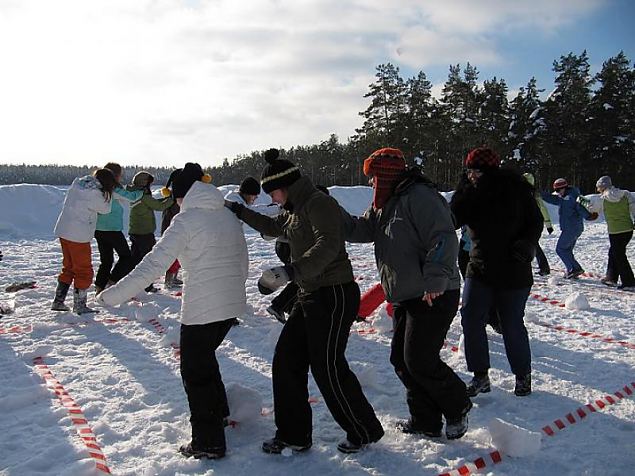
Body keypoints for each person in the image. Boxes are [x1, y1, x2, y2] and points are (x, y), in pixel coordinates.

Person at [225, 148, 384, 454]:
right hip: (310, 294)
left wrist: (290, 271)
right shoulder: (294, 209)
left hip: (335, 293)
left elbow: (328, 245)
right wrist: (240, 212)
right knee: (286, 361)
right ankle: (294, 434)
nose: (272, 200)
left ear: (285, 187)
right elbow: (274, 228)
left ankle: (364, 430)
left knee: (327, 366)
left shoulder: (319, 204)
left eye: (273, 194)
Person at [98, 163, 248, 460]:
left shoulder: (185, 220)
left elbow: (153, 265)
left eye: (175, 196)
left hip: (204, 308)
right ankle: (218, 413)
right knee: (204, 360)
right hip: (230, 305)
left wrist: (112, 296)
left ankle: (208, 442)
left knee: (195, 372)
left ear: (183, 194)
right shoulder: (227, 215)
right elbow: (242, 258)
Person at [340, 147, 471, 440]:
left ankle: (458, 404)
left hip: (434, 292)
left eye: (374, 177)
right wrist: (333, 215)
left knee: (420, 360)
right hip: (405, 294)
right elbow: (362, 230)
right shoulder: (386, 202)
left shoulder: (420, 197)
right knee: (401, 360)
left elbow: (444, 236)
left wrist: (435, 279)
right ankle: (425, 420)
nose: (372, 183)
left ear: (385, 175)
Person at [451, 147, 543, 397]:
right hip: (479, 266)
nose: (471, 175)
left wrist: (527, 243)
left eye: (476, 171)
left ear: (490, 170)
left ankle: (523, 375)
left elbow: (535, 221)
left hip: (514, 269)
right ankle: (480, 376)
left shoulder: (516, 189)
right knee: (470, 318)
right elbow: (453, 220)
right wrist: (462, 192)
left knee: (511, 323)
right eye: (468, 171)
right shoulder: (470, 193)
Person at [52, 169, 115, 314]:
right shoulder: (95, 194)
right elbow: (106, 209)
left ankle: (58, 301)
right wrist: (108, 194)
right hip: (78, 235)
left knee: (68, 267)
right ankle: (80, 305)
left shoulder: (78, 184)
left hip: (64, 230)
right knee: (83, 270)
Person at [266, 185, 330, 324]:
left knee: (302, 275)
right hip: (288, 245)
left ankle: (288, 306)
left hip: (283, 245)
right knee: (302, 275)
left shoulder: (302, 202)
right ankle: (279, 305)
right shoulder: (310, 207)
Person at [94, 163, 143, 294]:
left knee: (106, 260)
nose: (121, 177)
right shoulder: (113, 189)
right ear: (114, 176)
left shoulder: (97, 188)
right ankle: (112, 281)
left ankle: (99, 286)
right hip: (112, 230)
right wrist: (142, 190)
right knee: (126, 257)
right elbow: (132, 197)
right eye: (120, 174)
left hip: (98, 229)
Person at [582, 176, 634, 290]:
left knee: (619, 255)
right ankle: (611, 277)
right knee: (614, 252)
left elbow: (591, 207)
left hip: (615, 231)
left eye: (599, 188)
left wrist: (579, 199)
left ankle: (629, 282)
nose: (598, 190)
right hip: (628, 229)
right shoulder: (625, 194)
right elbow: (633, 208)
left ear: (602, 187)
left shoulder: (602, 199)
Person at [127, 171, 174, 292]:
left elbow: (153, 203)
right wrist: (171, 199)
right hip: (144, 233)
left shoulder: (134, 193)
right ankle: (147, 286)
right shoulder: (143, 195)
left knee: (136, 259)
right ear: (144, 184)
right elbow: (159, 206)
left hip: (135, 231)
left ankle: (132, 284)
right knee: (147, 260)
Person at [541, 178, 593, 279]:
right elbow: (552, 199)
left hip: (572, 228)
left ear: (564, 188)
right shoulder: (562, 197)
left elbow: (583, 206)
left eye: (558, 190)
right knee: (567, 249)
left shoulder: (574, 196)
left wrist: (589, 216)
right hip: (570, 228)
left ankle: (574, 269)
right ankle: (575, 269)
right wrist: (540, 194)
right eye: (555, 191)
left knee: (560, 249)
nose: (557, 193)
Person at [523, 173, 553, 276]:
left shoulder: (534, 195)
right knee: (532, 245)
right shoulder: (524, 193)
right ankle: (543, 267)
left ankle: (544, 267)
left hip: (531, 224)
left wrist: (549, 225)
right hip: (525, 223)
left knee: (533, 245)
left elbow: (543, 210)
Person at [160, 169, 183, 289]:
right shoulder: (174, 198)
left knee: (178, 255)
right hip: (172, 231)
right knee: (173, 255)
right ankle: (169, 278)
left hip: (174, 230)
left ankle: (173, 277)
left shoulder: (173, 196)